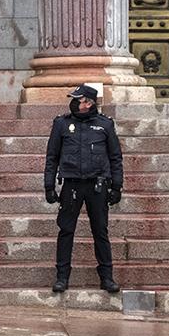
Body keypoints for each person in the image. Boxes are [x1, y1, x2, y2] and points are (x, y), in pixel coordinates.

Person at [44, 83, 122, 295]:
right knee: (66, 230)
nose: (74, 102)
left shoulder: (104, 125)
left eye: (78, 99)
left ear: (88, 103)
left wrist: (117, 186)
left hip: (97, 185)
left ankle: (106, 277)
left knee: (100, 232)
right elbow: (52, 157)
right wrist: (49, 186)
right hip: (71, 185)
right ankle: (62, 277)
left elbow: (115, 157)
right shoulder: (61, 124)